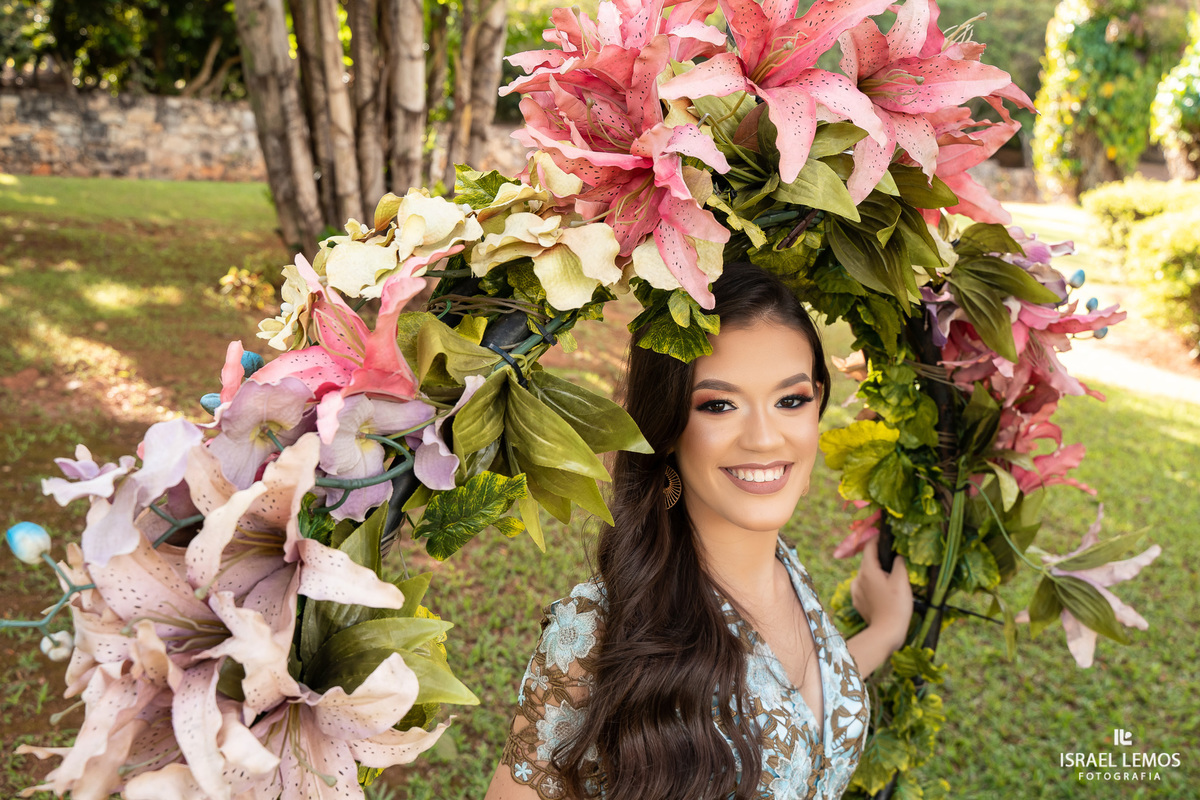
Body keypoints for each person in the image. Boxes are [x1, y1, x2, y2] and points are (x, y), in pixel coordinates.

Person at [485, 262, 914, 800]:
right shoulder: (596, 633)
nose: (763, 438)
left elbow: (799, 707)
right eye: (718, 404)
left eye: (791, 400)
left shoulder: (785, 566)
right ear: (666, 429)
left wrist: (887, 630)